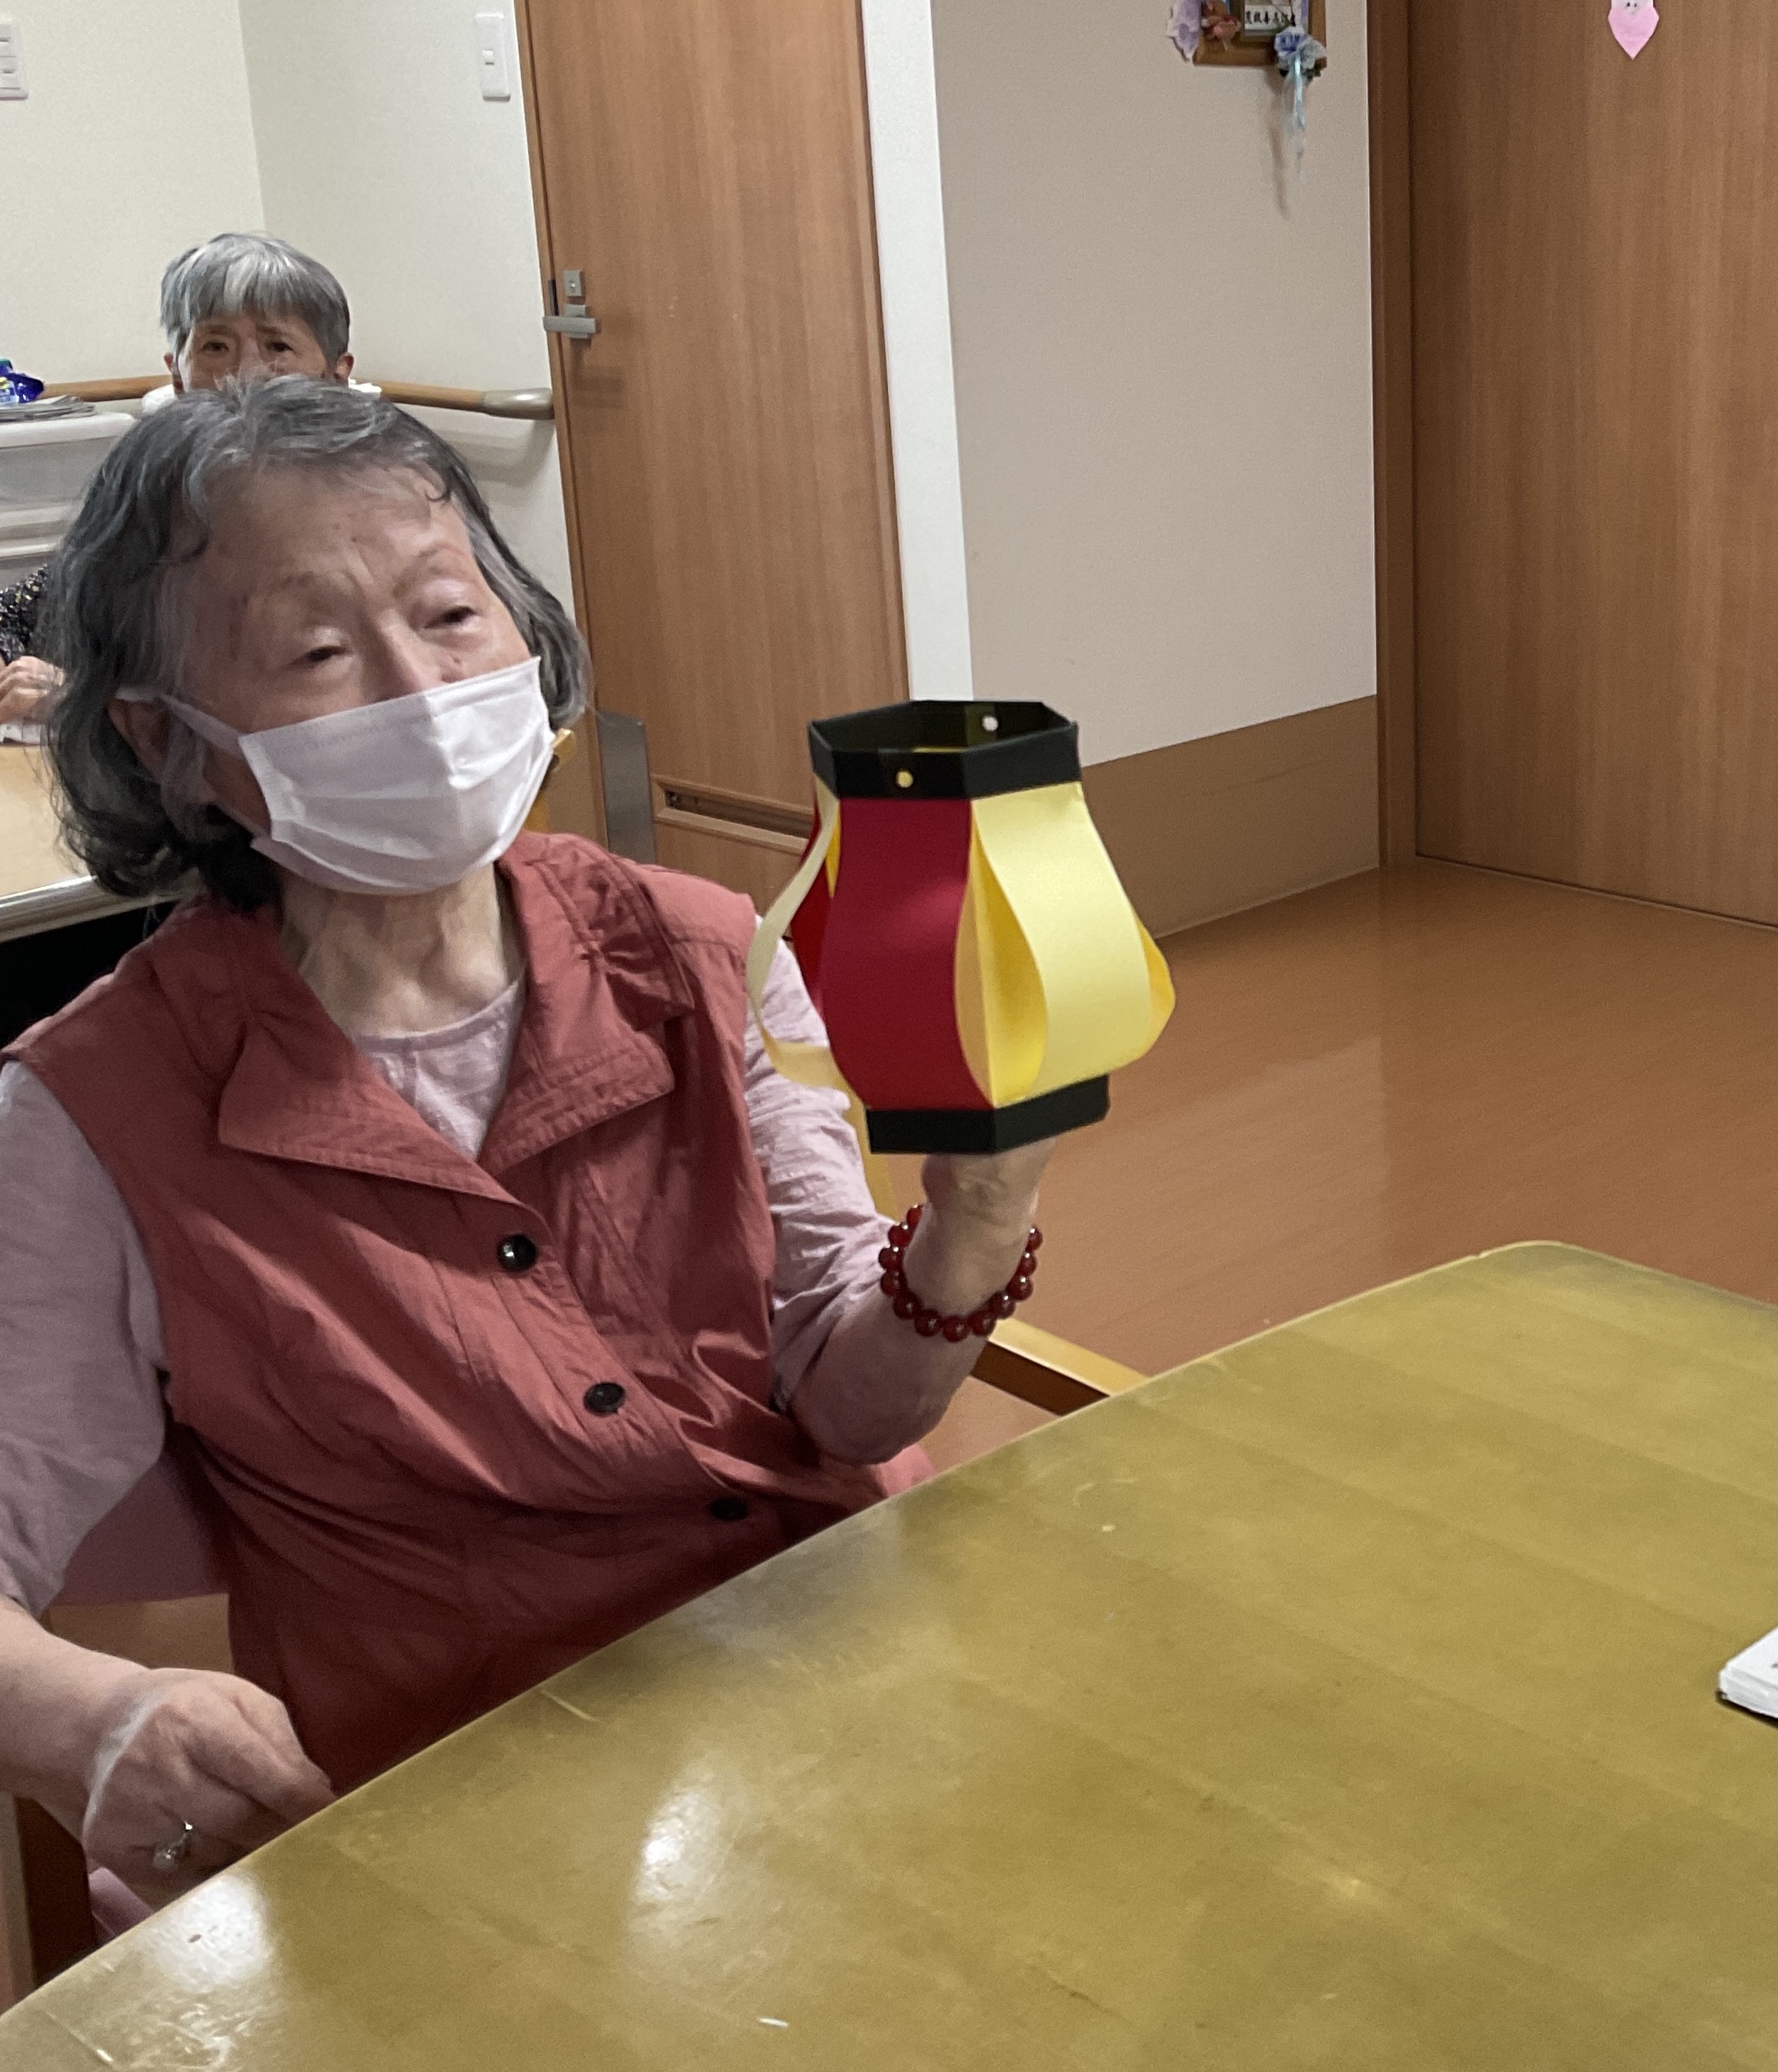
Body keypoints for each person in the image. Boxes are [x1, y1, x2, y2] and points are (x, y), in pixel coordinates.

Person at [0, 379, 1053, 1898]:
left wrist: (970, 1230)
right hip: (469, 1813)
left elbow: (845, 1406)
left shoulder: (702, 951)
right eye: (315, 652)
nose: (417, 692)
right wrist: (90, 1722)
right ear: (170, 740)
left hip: (835, 1677)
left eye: (449, 614)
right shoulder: (95, 1114)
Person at [0, 232, 358, 729]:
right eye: (215, 346)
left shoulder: (377, 495)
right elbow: (26, 609)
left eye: (277, 345)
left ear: (336, 377)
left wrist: (88, 701)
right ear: (177, 376)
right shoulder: (153, 489)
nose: (245, 373)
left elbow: (321, 690)